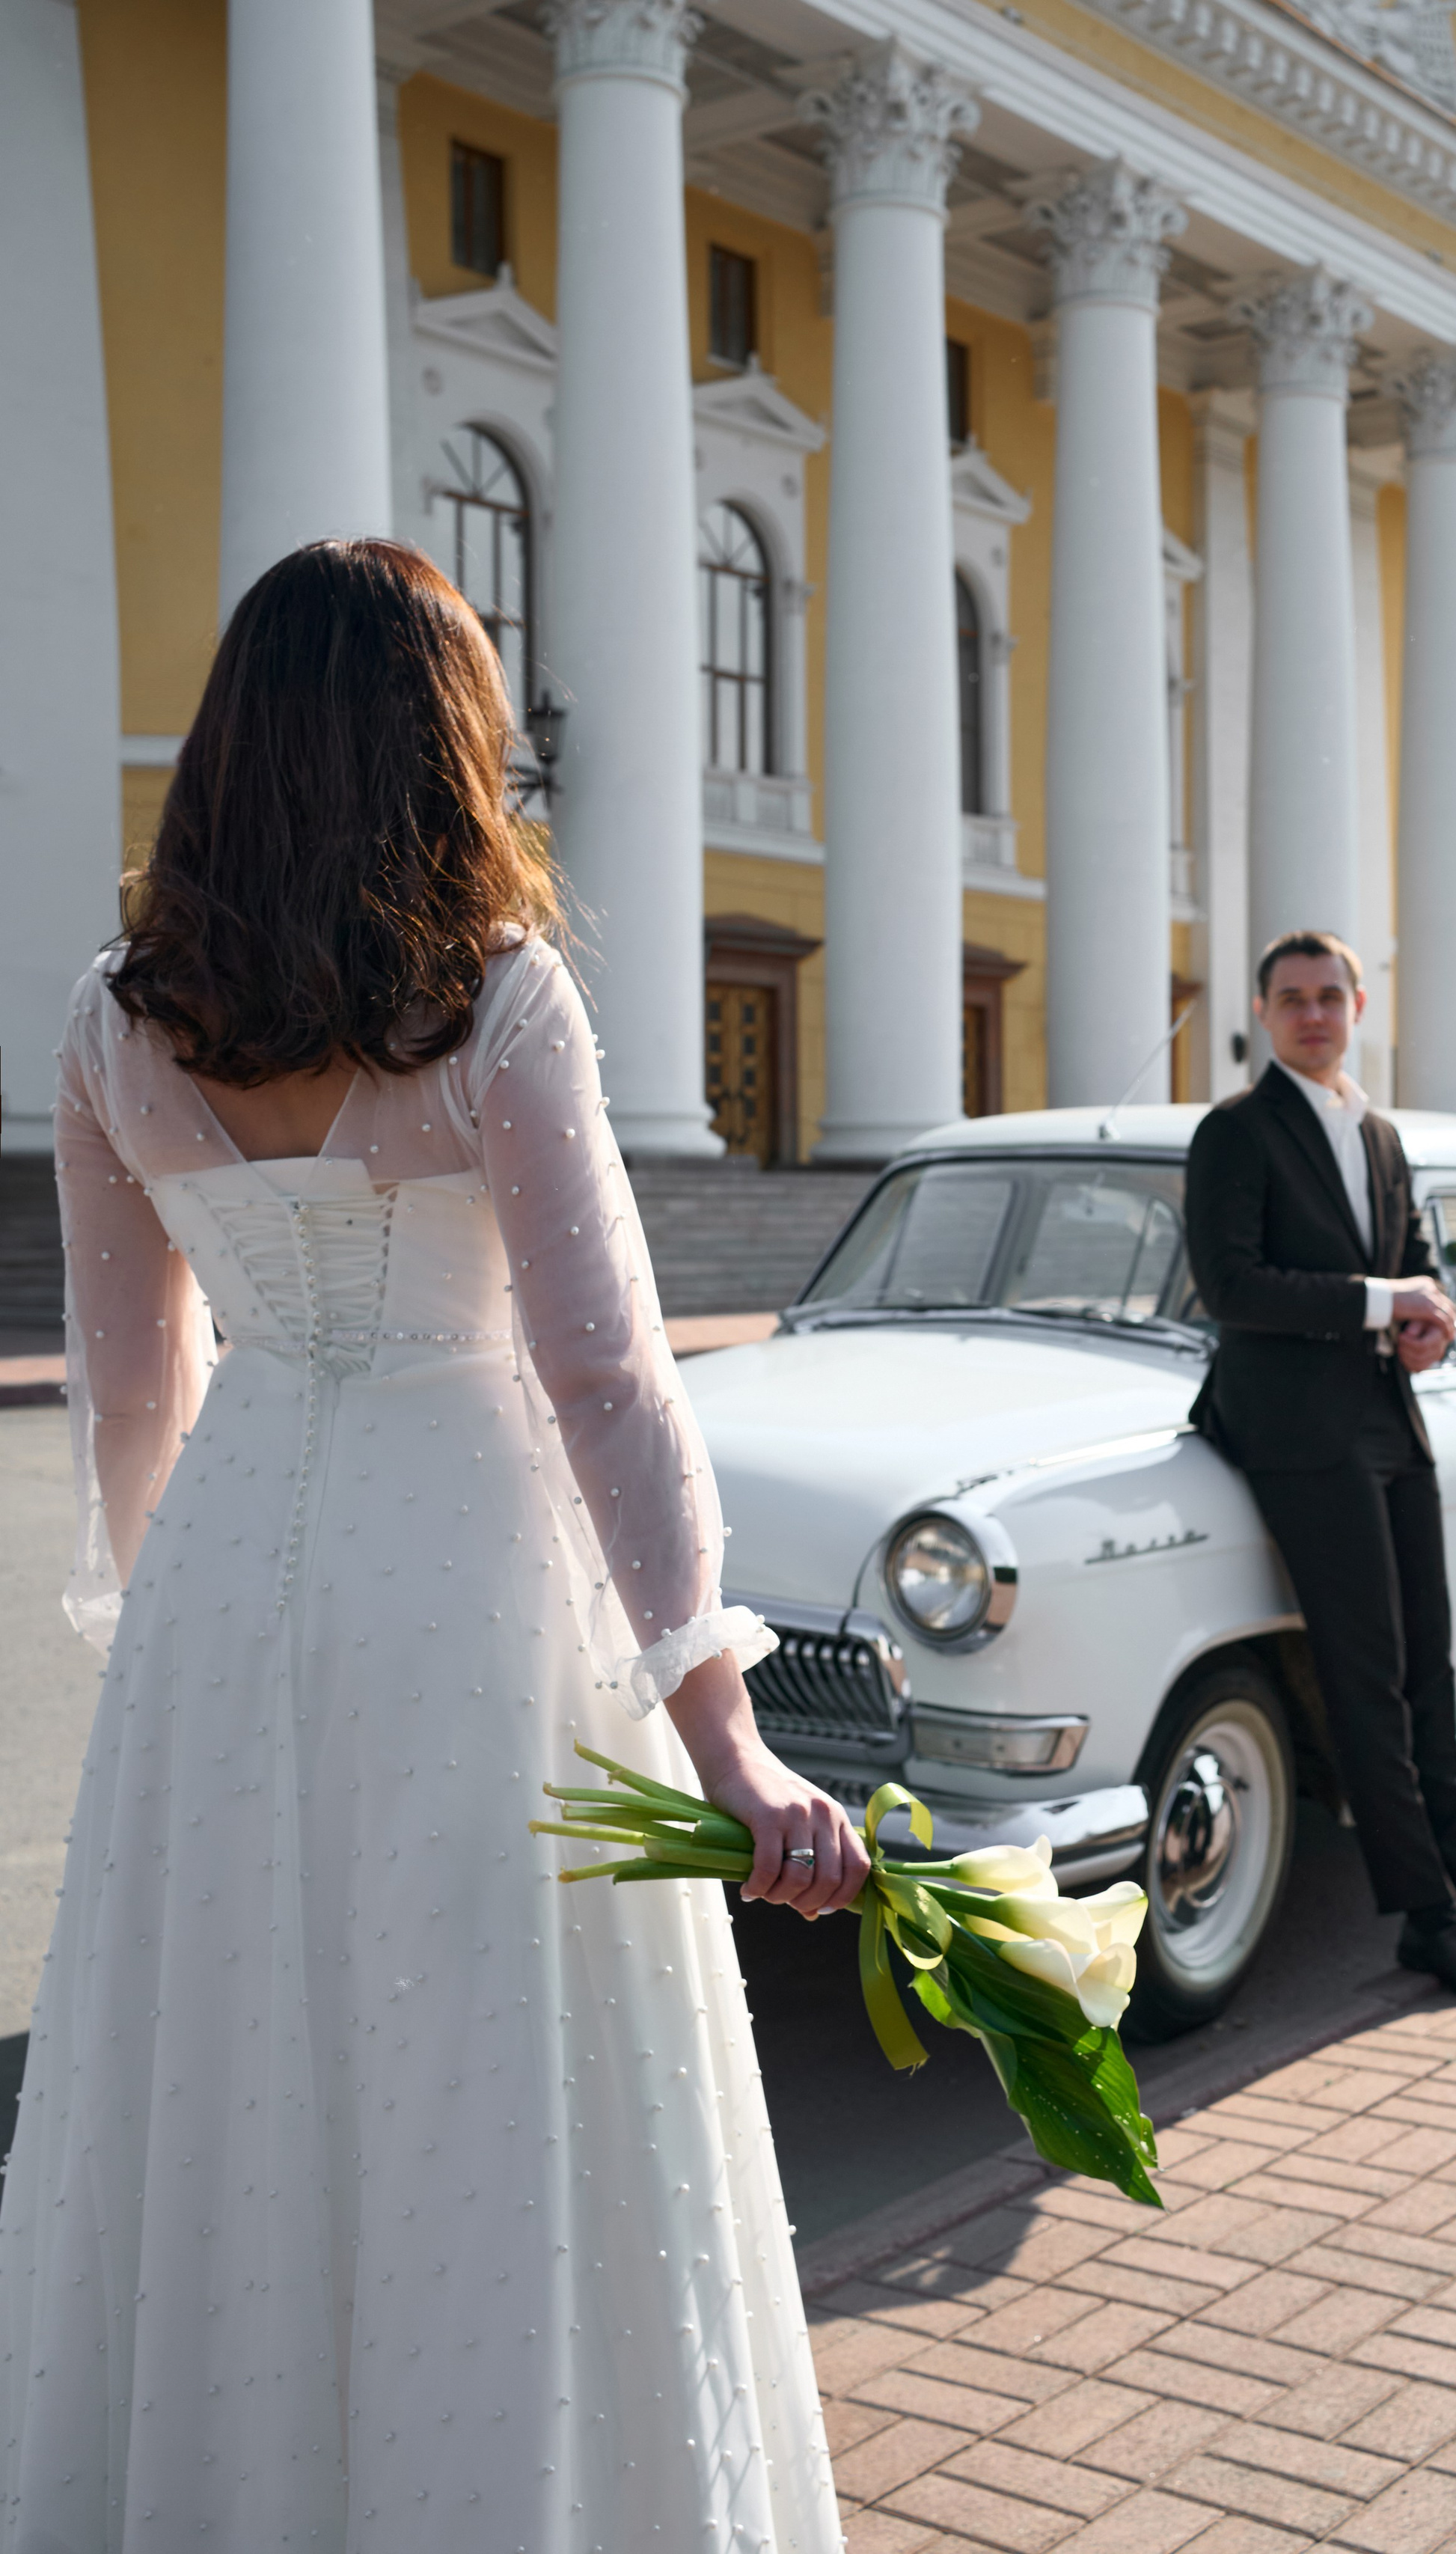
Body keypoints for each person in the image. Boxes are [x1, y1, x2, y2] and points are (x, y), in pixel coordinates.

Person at [0, 539, 866, 2547]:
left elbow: (130, 1394)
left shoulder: (117, 1024)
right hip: (473, 1582)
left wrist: (171, 1649)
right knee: (482, 2077)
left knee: (233, 2075)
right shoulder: (496, 998)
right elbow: (608, 1376)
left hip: (224, 1577)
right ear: (444, 741)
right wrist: (726, 1734)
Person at [1184, 929, 1456, 2004]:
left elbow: (1410, 1265)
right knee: (1365, 1678)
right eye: (1292, 998)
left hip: (1390, 1420)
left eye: (1329, 996)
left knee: (1426, 1671)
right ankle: (1428, 1919)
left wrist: (1427, 1319)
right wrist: (1380, 1301)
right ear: (1263, 1012)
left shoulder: (1380, 1133)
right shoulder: (1235, 1131)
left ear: (1359, 1006)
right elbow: (1230, 1285)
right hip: (1295, 1434)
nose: (1312, 1014)